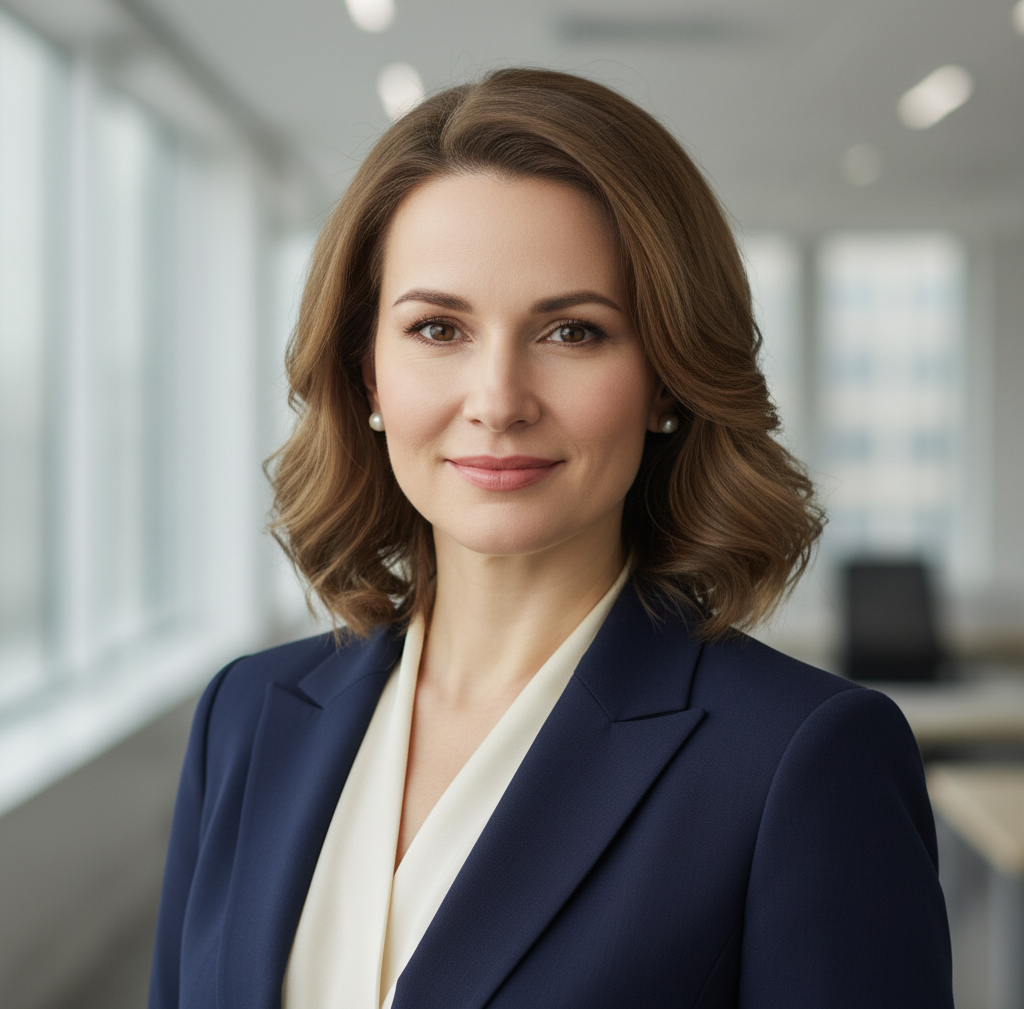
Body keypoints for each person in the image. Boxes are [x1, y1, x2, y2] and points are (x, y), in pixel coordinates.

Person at [149, 69, 953, 1009]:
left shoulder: (799, 762)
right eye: (438, 328)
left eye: (573, 331)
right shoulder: (245, 718)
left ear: (665, 378)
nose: (498, 401)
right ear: (367, 372)